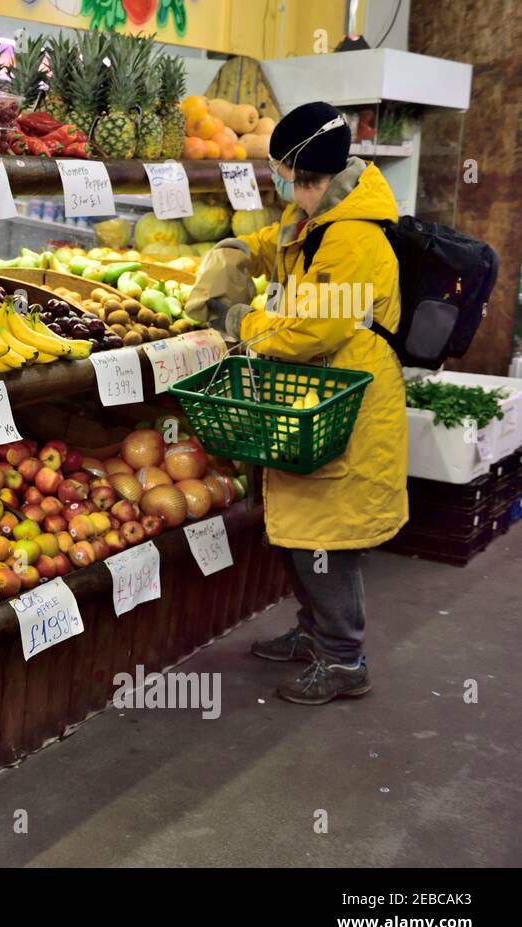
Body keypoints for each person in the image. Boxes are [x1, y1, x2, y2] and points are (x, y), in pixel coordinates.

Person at [187, 101, 408, 705]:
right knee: (299, 528)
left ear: (297, 168)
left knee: (326, 536)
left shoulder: (356, 239)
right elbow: (281, 244)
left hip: (349, 399)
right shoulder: (319, 212)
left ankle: (344, 660)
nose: (277, 181)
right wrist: (237, 251)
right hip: (315, 393)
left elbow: (313, 328)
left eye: (281, 171)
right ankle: (315, 634)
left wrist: (238, 318)